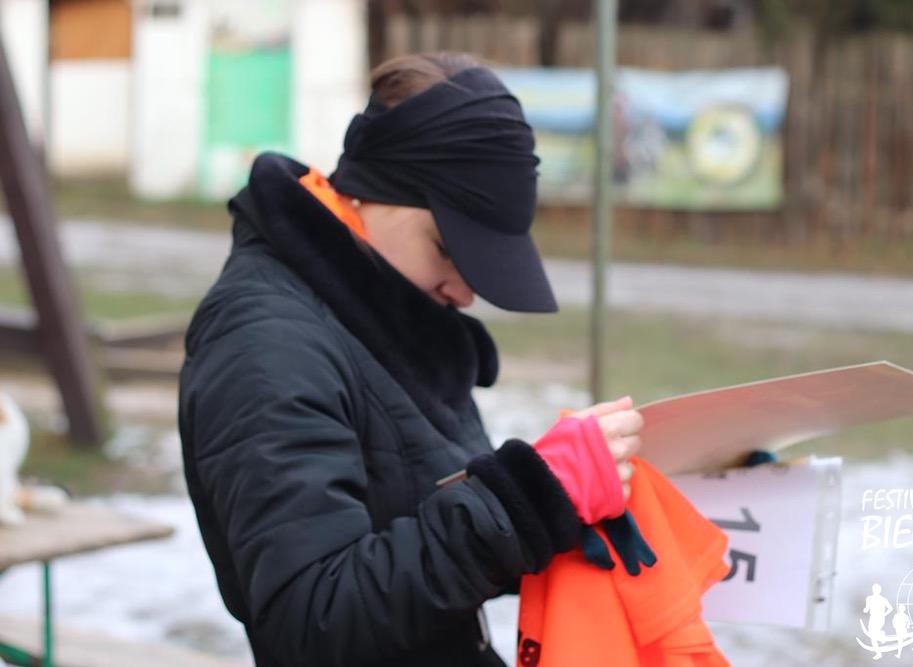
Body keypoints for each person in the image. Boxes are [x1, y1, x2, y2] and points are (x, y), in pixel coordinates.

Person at [178, 52, 645, 667]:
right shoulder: (266, 344)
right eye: (449, 249)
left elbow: (425, 531)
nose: (466, 293)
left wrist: (570, 511)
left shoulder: (377, 316)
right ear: (375, 191)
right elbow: (309, 619)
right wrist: (520, 502)